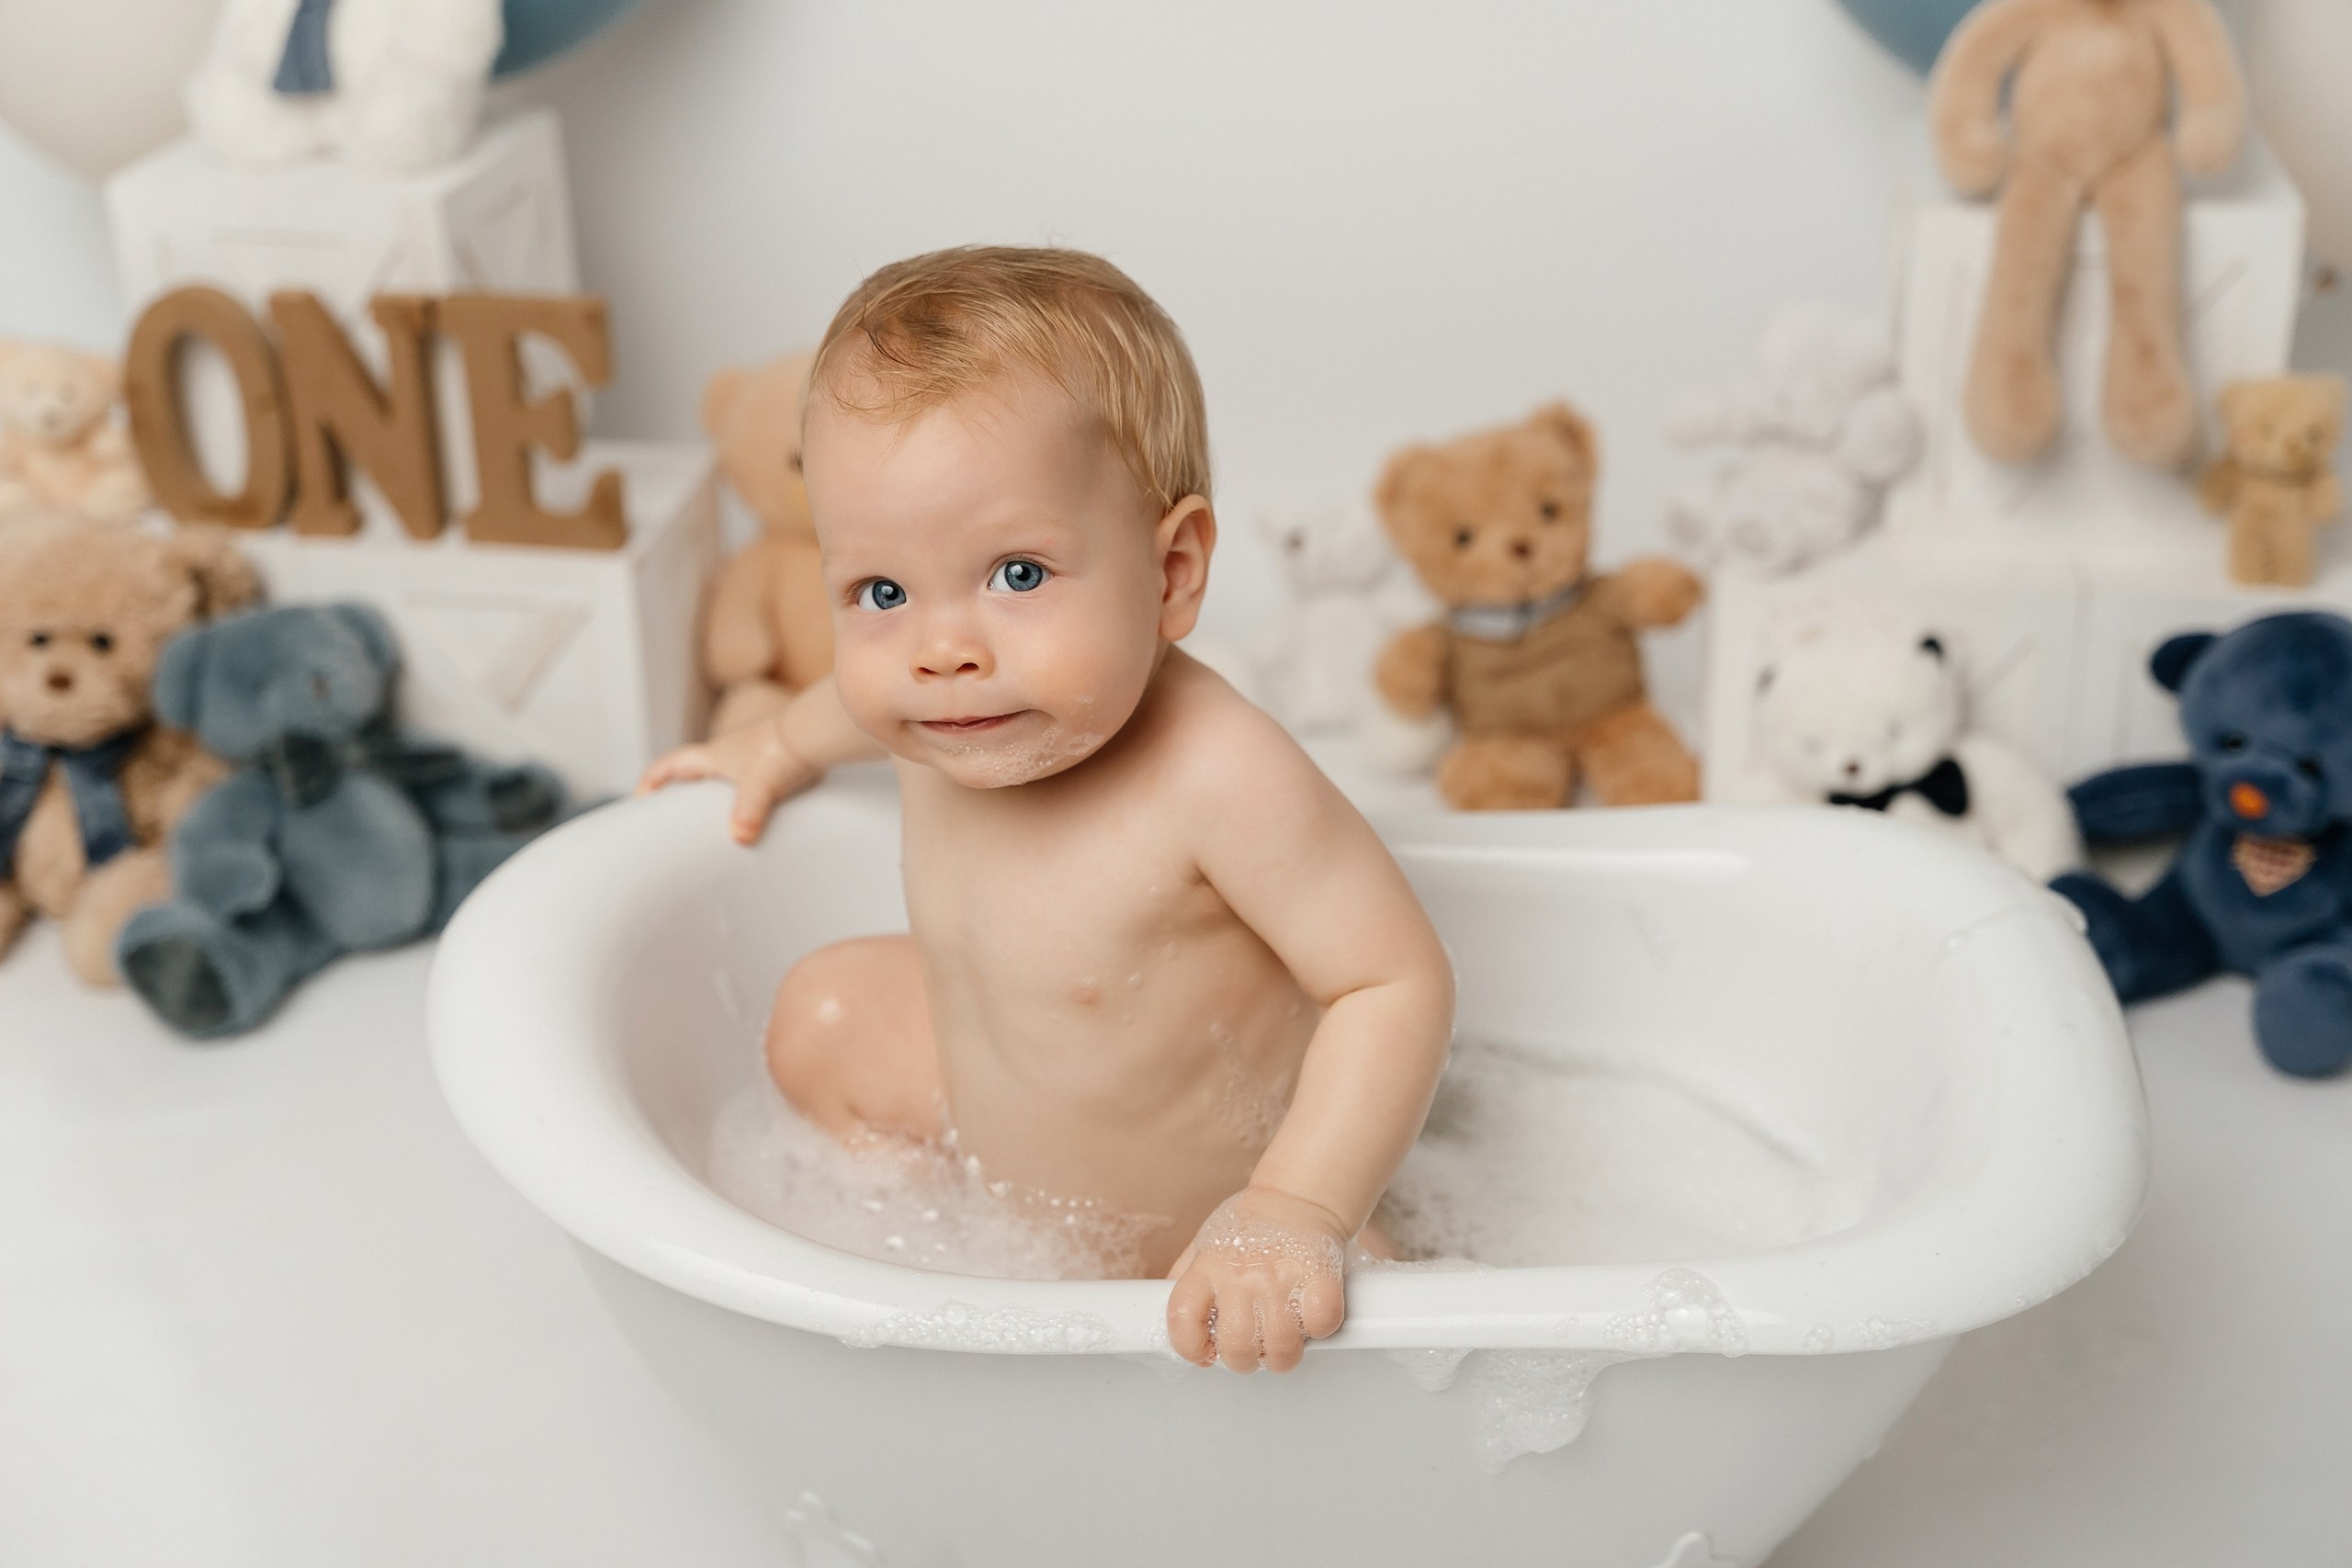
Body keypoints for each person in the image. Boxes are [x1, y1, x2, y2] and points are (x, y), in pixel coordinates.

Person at [640, 245, 1453, 1373]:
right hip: (1005, 1166)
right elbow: (848, 701)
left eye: (1017, 574)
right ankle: (905, 1279)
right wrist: (772, 745)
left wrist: (1296, 1206)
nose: (940, 649)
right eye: (880, 591)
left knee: (1346, 1312)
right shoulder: (951, 708)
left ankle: (1298, 1257)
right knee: (820, 1016)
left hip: (1211, 1230)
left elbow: (1391, 983)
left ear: (1170, 573)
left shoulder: (1217, 773)